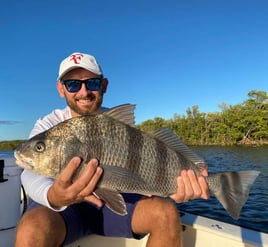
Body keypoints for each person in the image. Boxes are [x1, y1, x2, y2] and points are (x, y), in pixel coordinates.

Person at [15, 52, 210, 247]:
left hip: (112, 204)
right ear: (61, 89)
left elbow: (144, 170)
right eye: (73, 84)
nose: (83, 92)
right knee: (31, 228)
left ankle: (223, 186)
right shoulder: (49, 124)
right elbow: (29, 175)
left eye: (92, 83)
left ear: (104, 85)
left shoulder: (119, 125)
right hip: (64, 211)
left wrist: (176, 186)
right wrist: (54, 196)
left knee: (166, 213)